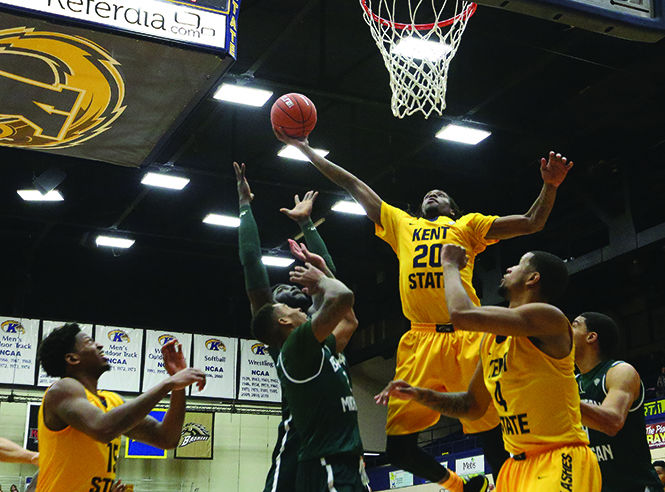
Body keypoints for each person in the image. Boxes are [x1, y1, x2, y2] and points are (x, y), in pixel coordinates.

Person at [274, 128, 573, 483]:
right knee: (398, 449)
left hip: (466, 336)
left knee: (491, 436)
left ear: (452, 208)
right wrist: (308, 150)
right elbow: (354, 185)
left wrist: (550, 186)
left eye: (442, 194)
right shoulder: (403, 224)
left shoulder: (467, 226)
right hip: (419, 341)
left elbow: (532, 222)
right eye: (429, 193)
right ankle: (459, 485)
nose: (433, 194)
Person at [376, 246, 601, 492]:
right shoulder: (492, 341)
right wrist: (419, 394)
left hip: (559, 457)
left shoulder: (549, 318)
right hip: (515, 467)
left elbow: (462, 315)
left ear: (533, 278)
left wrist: (449, 266)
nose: (508, 268)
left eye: (518, 264)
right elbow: (471, 405)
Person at [233, 162, 346, 491]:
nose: (285, 291)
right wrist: (244, 205)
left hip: (338, 442)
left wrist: (307, 223)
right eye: (279, 295)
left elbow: (334, 281)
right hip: (300, 438)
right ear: (278, 316)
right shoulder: (283, 338)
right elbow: (252, 262)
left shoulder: (320, 325)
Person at [36, 323, 205, 492]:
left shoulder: (111, 400)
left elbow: (166, 438)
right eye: (89, 342)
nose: (99, 345)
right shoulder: (62, 389)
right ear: (73, 358)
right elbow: (102, 428)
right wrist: (168, 384)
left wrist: (178, 385)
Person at [251, 256, 368, 491]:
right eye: (289, 307)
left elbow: (349, 319)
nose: (297, 307)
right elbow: (344, 298)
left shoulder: (315, 349)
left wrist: (323, 269)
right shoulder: (296, 348)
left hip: (348, 461)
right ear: (284, 320)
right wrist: (322, 278)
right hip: (327, 464)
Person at [573, 312, 663, 491]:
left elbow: (612, 421)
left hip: (635, 486)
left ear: (591, 337)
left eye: (574, 325)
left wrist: (559, 400)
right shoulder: (572, 382)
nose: (565, 330)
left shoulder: (619, 371)